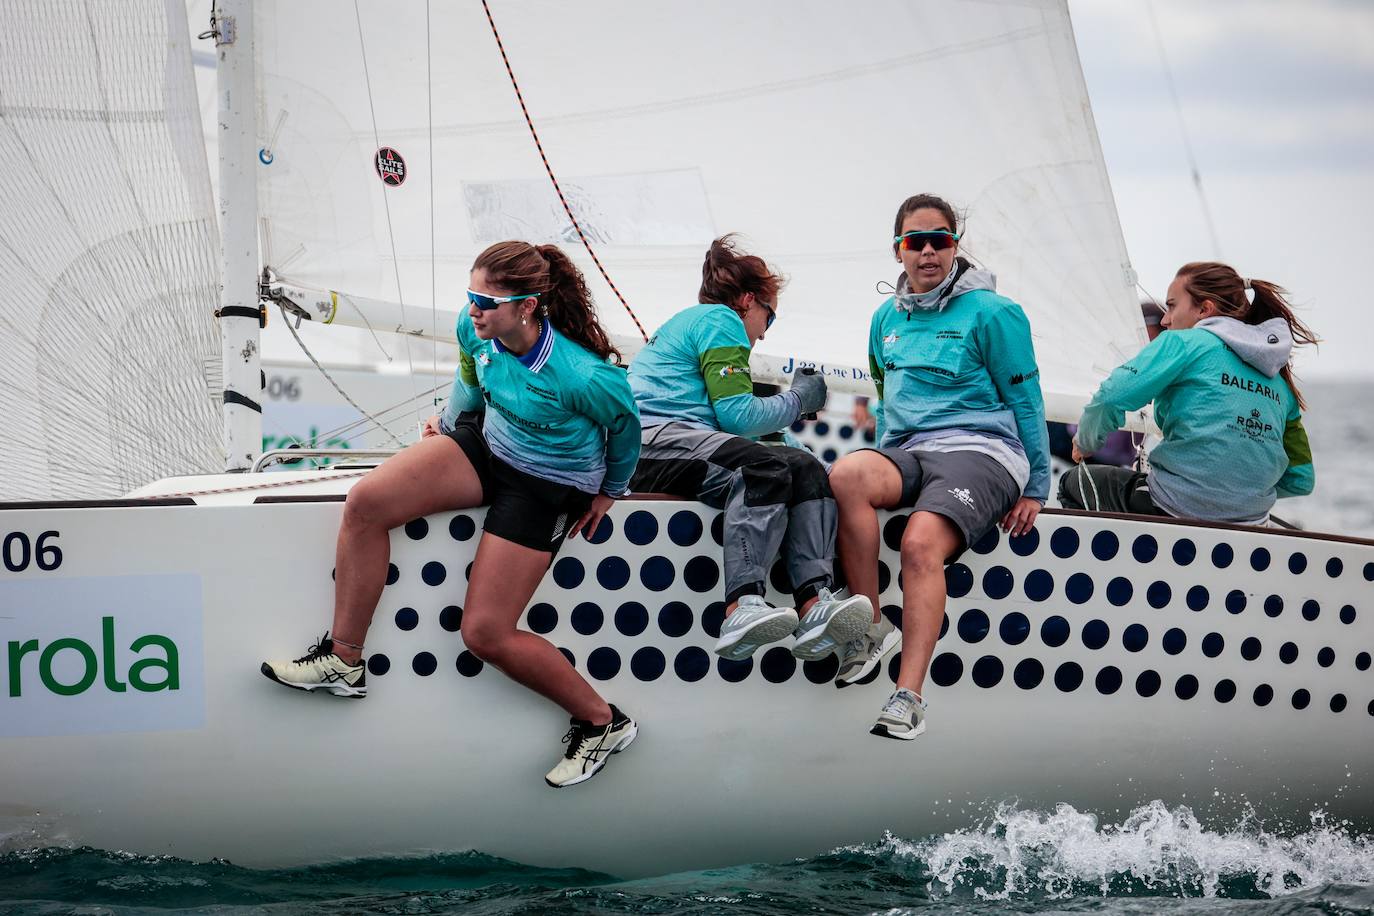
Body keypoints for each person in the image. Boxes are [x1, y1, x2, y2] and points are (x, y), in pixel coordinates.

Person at [261, 241, 643, 789]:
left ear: (529, 306)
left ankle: (602, 722)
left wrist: (611, 491)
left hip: (550, 483)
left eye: (486, 300)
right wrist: (447, 424)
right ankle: (344, 662)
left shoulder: (582, 375)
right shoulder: (475, 332)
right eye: (469, 296)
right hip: (490, 446)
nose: (473, 310)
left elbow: (625, 430)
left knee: (484, 633)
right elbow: (470, 381)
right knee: (365, 504)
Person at [829, 194, 1049, 740]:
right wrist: (879, 459)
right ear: (898, 250)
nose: (928, 251)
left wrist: (1037, 485)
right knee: (846, 475)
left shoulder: (995, 313)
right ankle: (870, 629)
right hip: (913, 451)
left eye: (940, 240)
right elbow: (888, 398)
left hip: (983, 451)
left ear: (955, 245)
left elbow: (1027, 401)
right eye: (915, 242)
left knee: (920, 544)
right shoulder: (885, 318)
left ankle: (908, 697)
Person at [627, 236, 872, 663]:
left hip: (674, 444)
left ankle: (815, 602)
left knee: (806, 467)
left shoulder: (698, 322)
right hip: (650, 445)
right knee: (765, 467)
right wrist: (798, 401)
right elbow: (737, 418)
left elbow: (735, 432)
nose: (763, 333)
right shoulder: (722, 320)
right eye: (769, 318)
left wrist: (789, 436)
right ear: (747, 301)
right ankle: (741, 607)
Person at [1060, 261, 1315, 523]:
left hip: (1174, 508)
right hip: (1251, 521)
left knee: (1073, 481)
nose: (1164, 319)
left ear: (1204, 309)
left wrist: (1086, 441)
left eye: (1171, 305)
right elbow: (1301, 480)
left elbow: (1111, 396)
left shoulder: (1182, 343)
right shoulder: (1280, 383)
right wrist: (1238, 495)